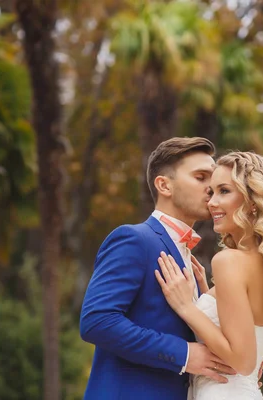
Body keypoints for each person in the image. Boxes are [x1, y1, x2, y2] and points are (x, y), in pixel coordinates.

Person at [80, 137, 237, 400]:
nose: (211, 188)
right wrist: (184, 354)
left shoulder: (192, 259)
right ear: (164, 185)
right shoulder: (133, 239)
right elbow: (97, 321)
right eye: (201, 177)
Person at [155, 151, 263, 400]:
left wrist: (188, 307)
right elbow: (250, 331)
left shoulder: (229, 261)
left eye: (224, 191)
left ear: (253, 201)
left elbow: (243, 361)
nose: (211, 202)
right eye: (211, 192)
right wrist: (206, 293)